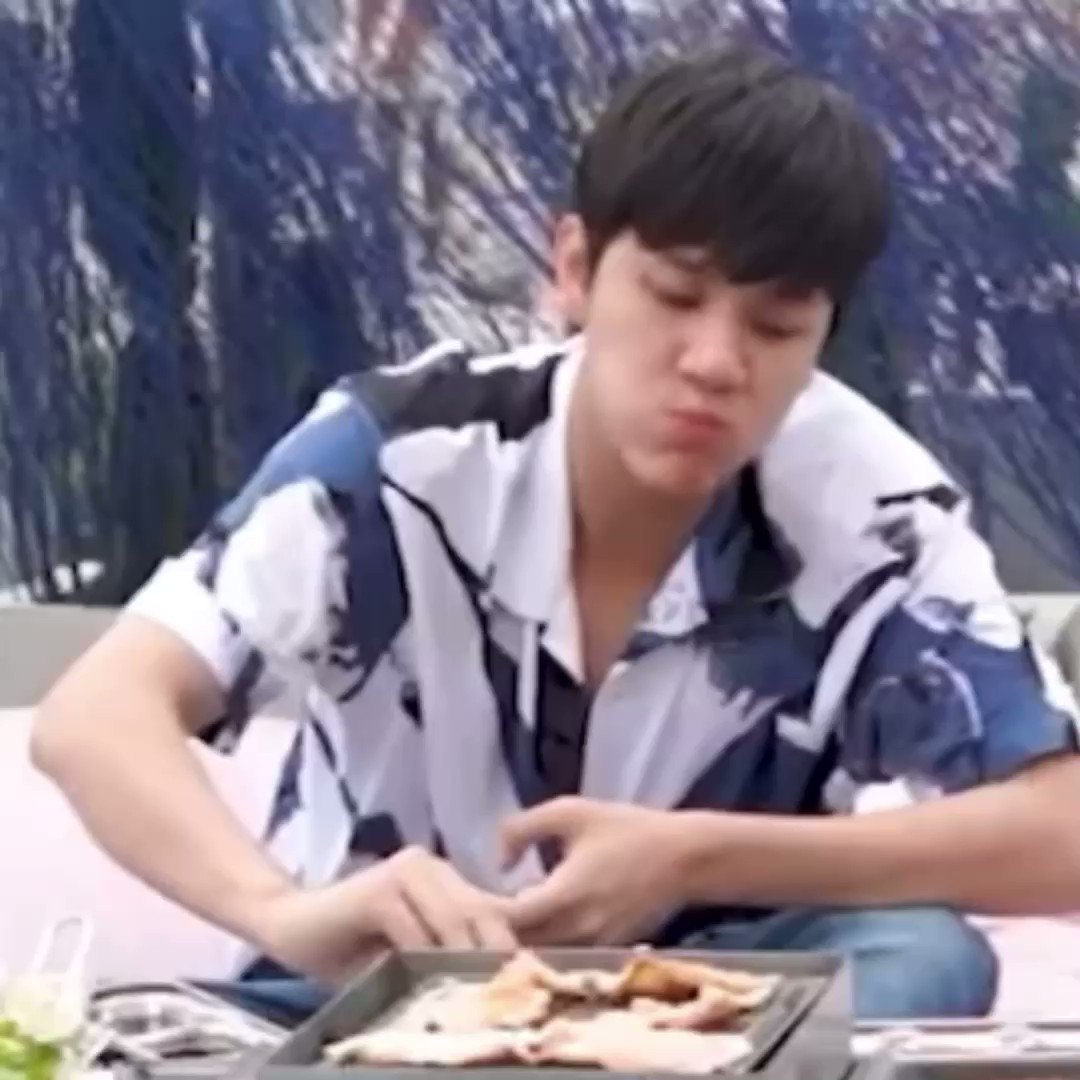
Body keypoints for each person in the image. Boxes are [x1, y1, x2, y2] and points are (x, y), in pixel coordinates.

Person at [33, 44, 1080, 1026]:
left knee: (924, 955)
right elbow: (94, 716)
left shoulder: (877, 511)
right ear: (575, 267)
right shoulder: (403, 451)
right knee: (124, 1027)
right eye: (674, 295)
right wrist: (280, 912)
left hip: (717, 1012)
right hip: (377, 1002)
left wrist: (698, 857)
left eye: (775, 326)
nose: (716, 362)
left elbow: (1063, 828)